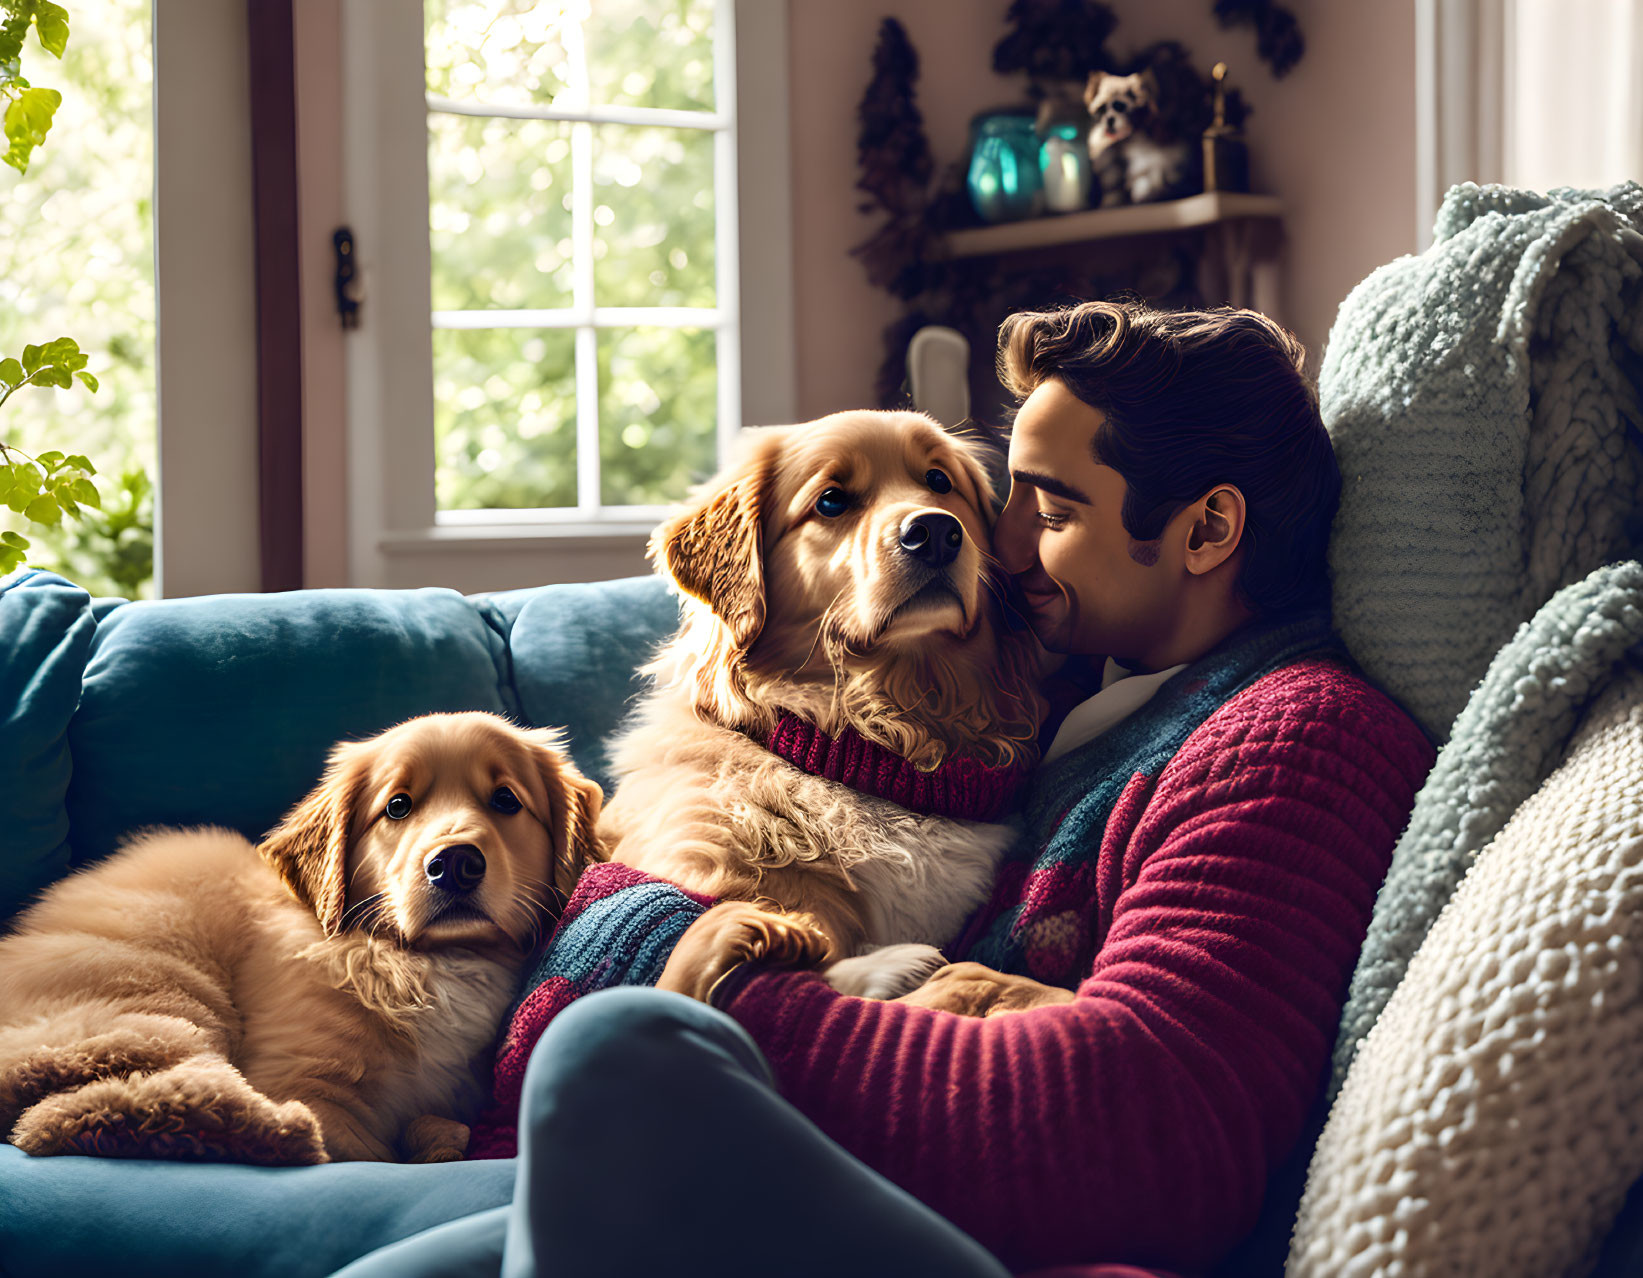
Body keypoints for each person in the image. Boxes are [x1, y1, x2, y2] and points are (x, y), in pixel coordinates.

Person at [337, 301, 1436, 1278]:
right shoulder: (1076, 702)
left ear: (1204, 531)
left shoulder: (1295, 736)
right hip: (784, 1153)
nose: (993, 547)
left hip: (918, 1190)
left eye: (1048, 512)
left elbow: (1155, 1136)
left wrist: (702, 987)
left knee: (608, 1049)